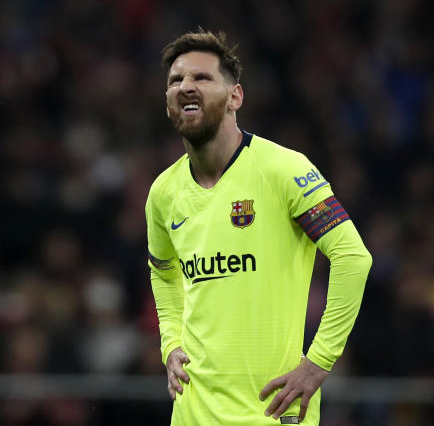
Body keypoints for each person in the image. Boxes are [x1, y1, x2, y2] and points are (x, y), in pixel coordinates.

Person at [146, 30, 372, 425]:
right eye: (175, 80)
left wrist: (319, 362)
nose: (185, 86)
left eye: (201, 78)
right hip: (192, 412)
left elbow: (353, 257)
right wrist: (171, 344)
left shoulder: (284, 169)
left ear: (235, 96)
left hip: (273, 411)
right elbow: (163, 274)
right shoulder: (163, 193)